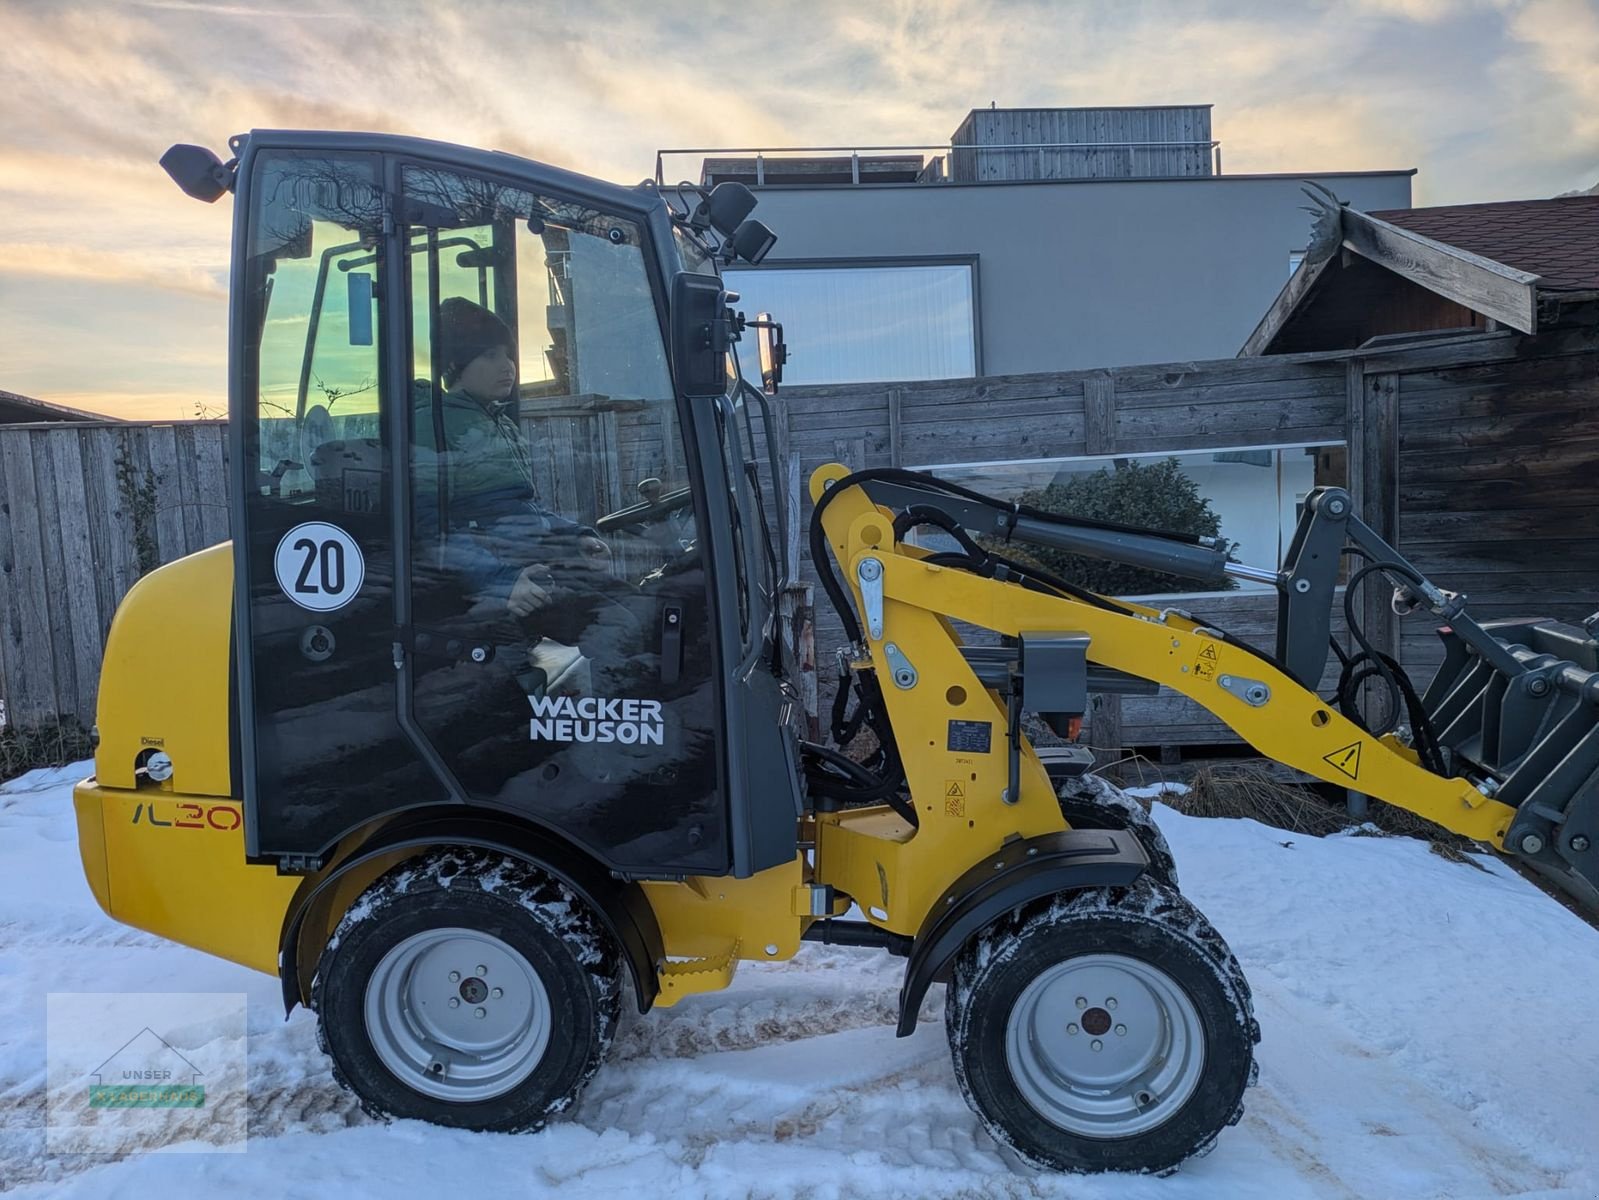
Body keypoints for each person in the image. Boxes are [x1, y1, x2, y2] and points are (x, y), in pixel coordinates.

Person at [414, 297, 609, 622]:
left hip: (526, 565)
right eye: (491, 355)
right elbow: (429, 526)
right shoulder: (431, 425)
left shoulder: (499, 423)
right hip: (493, 585)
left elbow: (523, 510)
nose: (508, 367)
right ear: (455, 364)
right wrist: (499, 582)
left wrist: (576, 537)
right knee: (620, 625)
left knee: (637, 607)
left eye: (509, 355)